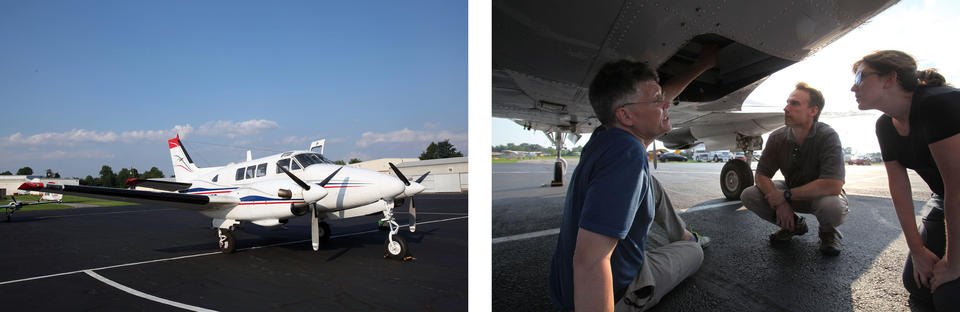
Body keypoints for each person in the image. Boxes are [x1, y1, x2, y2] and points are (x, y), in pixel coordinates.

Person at [548, 47, 716, 312]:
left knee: (652, 185)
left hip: (564, 286)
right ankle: (688, 243)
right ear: (626, 116)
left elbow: (650, 103)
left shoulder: (605, 136)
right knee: (695, 253)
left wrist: (700, 66)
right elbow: (589, 261)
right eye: (658, 100)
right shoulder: (628, 154)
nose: (666, 104)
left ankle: (682, 234)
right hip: (610, 294)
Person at [851, 50, 960, 310]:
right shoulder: (885, 126)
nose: (852, 86)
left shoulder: (937, 104)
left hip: (955, 193)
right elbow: (899, 189)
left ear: (890, 78)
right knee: (917, 281)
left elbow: (958, 186)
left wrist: (954, 264)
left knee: (949, 296)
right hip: (944, 198)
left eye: (859, 76)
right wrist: (918, 251)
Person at [740, 82, 848, 256]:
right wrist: (781, 202)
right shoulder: (777, 137)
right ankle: (793, 226)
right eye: (787, 102)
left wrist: (785, 196)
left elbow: (833, 185)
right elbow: (761, 175)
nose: (786, 108)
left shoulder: (827, 135)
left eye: (794, 103)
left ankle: (828, 232)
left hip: (820, 197)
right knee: (749, 194)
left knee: (832, 206)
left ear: (813, 111)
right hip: (790, 193)